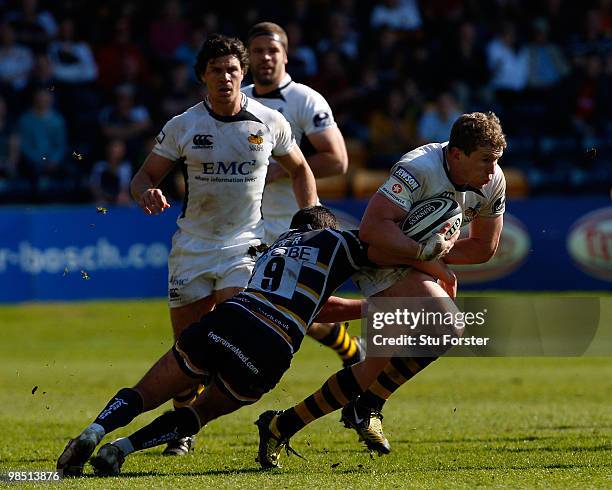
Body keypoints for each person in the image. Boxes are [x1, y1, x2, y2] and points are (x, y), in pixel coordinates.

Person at [55, 205, 452, 477]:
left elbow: (320, 306)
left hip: (231, 317)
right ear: (326, 227)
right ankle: (122, 449)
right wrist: (433, 260)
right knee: (201, 412)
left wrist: (360, 309)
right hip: (271, 344)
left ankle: (94, 430)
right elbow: (384, 248)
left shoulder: (274, 247)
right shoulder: (337, 242)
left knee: (145, 391)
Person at [256, 111, 507, 468]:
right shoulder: (419, 168)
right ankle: (368, 406)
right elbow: (373, 229)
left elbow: (484, 248)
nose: (492, 170)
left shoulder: (493, 179)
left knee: (371, 370)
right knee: (447, 326)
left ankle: (280, 424)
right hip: (381, 258)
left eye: (496, 161)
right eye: (484, 160)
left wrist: (436, 258)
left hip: (410, 259)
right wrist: (426, 256)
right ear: (456, 154)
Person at [129, 34, 317, 455]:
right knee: (189, 348)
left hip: (244, 245)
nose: (225, 77)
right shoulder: (184, 126)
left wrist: (311, 216)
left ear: (242, 74)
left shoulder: (270, 122)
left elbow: (302, 169)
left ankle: (203, 413)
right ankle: (182, 429)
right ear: (203, 77)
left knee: (236, 328)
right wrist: (145, 193)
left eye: (232, 69)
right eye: (216, 70)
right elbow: (143, 177)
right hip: (192, 248)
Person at [243, 22, 363, 369]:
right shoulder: (238, 97)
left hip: (291, 222)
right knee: (237, 301)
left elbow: (337, 159)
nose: (266, 57)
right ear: (248, 58)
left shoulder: (304, 99)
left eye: (273, 50)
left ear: (285, 54)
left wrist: (282, 170)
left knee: (297, 306)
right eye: (258, 51)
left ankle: (351, 350)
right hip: (245, 223)